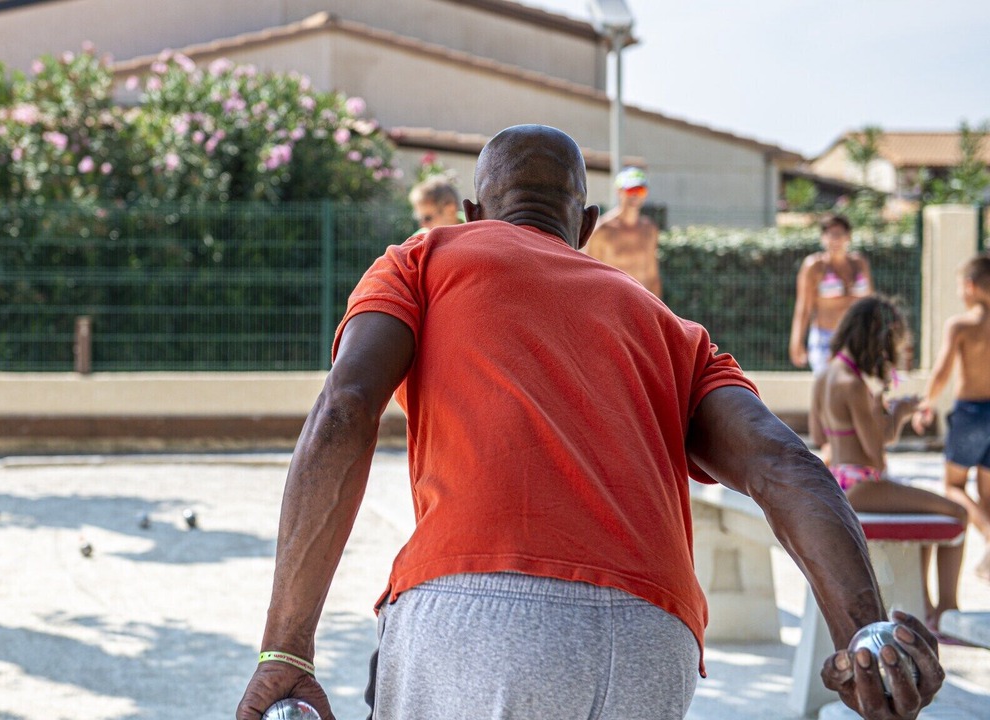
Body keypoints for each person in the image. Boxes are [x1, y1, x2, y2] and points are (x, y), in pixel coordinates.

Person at [237, 125, 942, 720]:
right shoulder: (670, 329)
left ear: (475, 212)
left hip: (479, 611)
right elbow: (786, 466)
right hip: (652, 639)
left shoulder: (423, 259)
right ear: (586, 225)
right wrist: (867, 640)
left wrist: (285, 649)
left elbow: (345, 408)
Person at [810, 295, 968, 631]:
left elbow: (818, 433)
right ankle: (946, 611)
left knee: (925, 513)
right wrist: (898, 414)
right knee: (957, 512)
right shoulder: (853, 384)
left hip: (841, 481)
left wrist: (874, 415)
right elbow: (876, 452)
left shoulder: (826, 373)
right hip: (863, 484)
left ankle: (925, 606)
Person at [913, 251, 990, 582]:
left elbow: (943, 369)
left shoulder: (961, 325)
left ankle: (988, 536)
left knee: (953, 485)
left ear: (970, 286)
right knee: (987, 494)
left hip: (971, 413)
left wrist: (926, 403)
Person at [790, 214, 874, 374]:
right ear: (823, 238)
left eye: (839, 234)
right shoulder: (814, 266)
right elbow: (804, 308)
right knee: (829, 385)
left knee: (855, 387)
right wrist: (796, 342)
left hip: (856, 338)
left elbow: (870, 303)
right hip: (825, 340)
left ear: (848, 237)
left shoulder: (860, 263)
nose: (835, 240)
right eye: (830, 234)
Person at [584, 166, 662, 297]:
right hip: (613, 303)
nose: (635, 195)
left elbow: (652, 275)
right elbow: (589, 274)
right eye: (631, 189)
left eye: (640, 190)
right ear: (619, 191)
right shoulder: (603, 230)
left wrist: (657, 306)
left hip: (642, 302)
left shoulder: (650, 230)